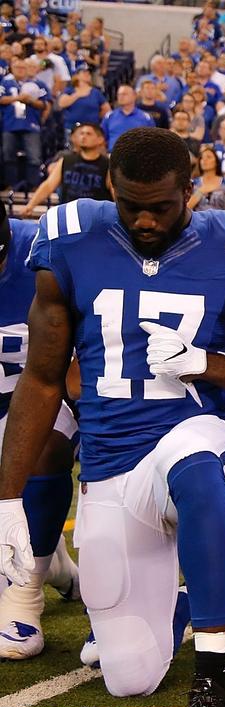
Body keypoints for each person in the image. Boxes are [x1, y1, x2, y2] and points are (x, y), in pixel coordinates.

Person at [0, 127, 225, 707]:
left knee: (194, 467)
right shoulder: (69, 238)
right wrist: (6, 498)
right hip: (112, 461)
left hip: (198, 432)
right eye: (130, 206)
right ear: (111, 188)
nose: (145, 222)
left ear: (190, 191)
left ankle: (215, 676)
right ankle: (170, 611)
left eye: (161, 208)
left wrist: (208, 363)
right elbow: (43, 379)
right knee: (129, 678)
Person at [0, 203, 81, 661]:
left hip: (38, 398)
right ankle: (56, 567)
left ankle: (24, 592)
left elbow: (90, 338)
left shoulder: (46, 249)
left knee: (47, 444)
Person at [19, 123, 112, 217]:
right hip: (68, 215)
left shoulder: (108, 165)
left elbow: (115, 192)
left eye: (88, 134)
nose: (83, 136)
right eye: (82, 133)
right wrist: (30, 206)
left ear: (100, 139)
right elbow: (48, 185)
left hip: (96, 218)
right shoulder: (66, 160)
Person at [1, 58, 50, 191]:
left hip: (31, 124)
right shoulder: (5, 82)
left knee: (34, 156)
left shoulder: (38, 84)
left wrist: (30, 100)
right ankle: (11, 185)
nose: (20, 70)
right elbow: (1, 99)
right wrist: (17, 98)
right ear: (12, 68)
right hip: (10, 124)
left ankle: (34, 185)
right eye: (17, 67)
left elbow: (44, 104)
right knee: (8, 155)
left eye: (23, 67)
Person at [101, 84, 154, 152]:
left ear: (134, 96)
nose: (120, 97)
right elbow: (101, 139)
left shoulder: (145, 117)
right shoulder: (109, 116)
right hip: (113, 156)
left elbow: (151, 141)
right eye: (119, 94)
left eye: (124, 94)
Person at [190, 146, 225, 212]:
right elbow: (187, 207)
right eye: (202, 158)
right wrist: (201, 191)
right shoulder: (193, 183)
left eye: (208, 157)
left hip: (221, 220)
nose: (204, 160)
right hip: (198, 220)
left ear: (216, 162)